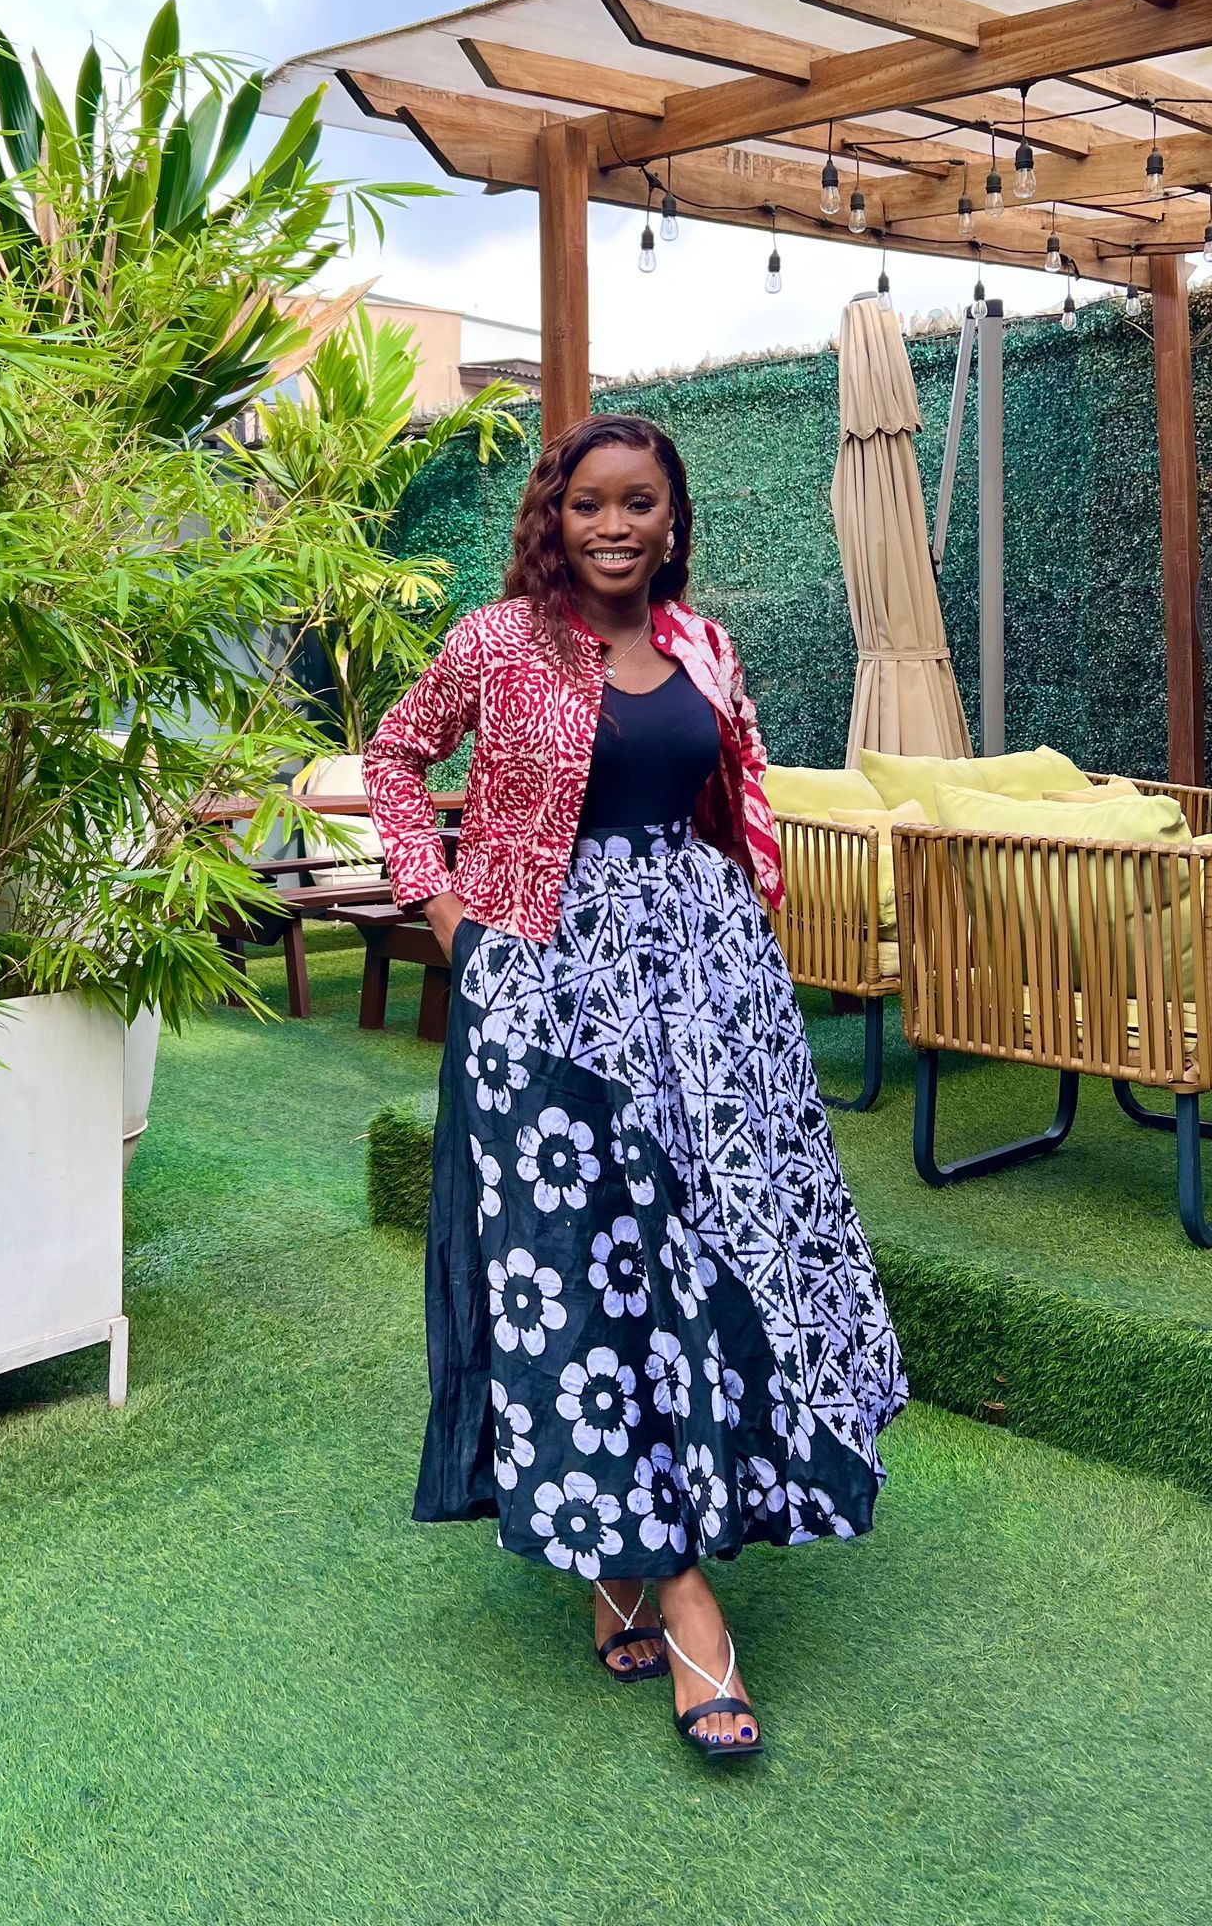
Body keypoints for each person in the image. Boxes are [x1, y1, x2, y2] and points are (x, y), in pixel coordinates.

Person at [365, 412, 907, 1763]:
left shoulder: (705, 647)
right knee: (591, 1268)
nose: (615, 526)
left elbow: (738, 799)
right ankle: (683, 1598)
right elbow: (393, 756)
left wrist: (749, 941)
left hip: (708, 995)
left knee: (714, 1254)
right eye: (591, 503)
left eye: (640, 504)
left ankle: (627, 1556)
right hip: (546, 996)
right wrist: (444, 916)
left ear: (673, 521)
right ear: (554, 517)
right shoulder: (497, 643)